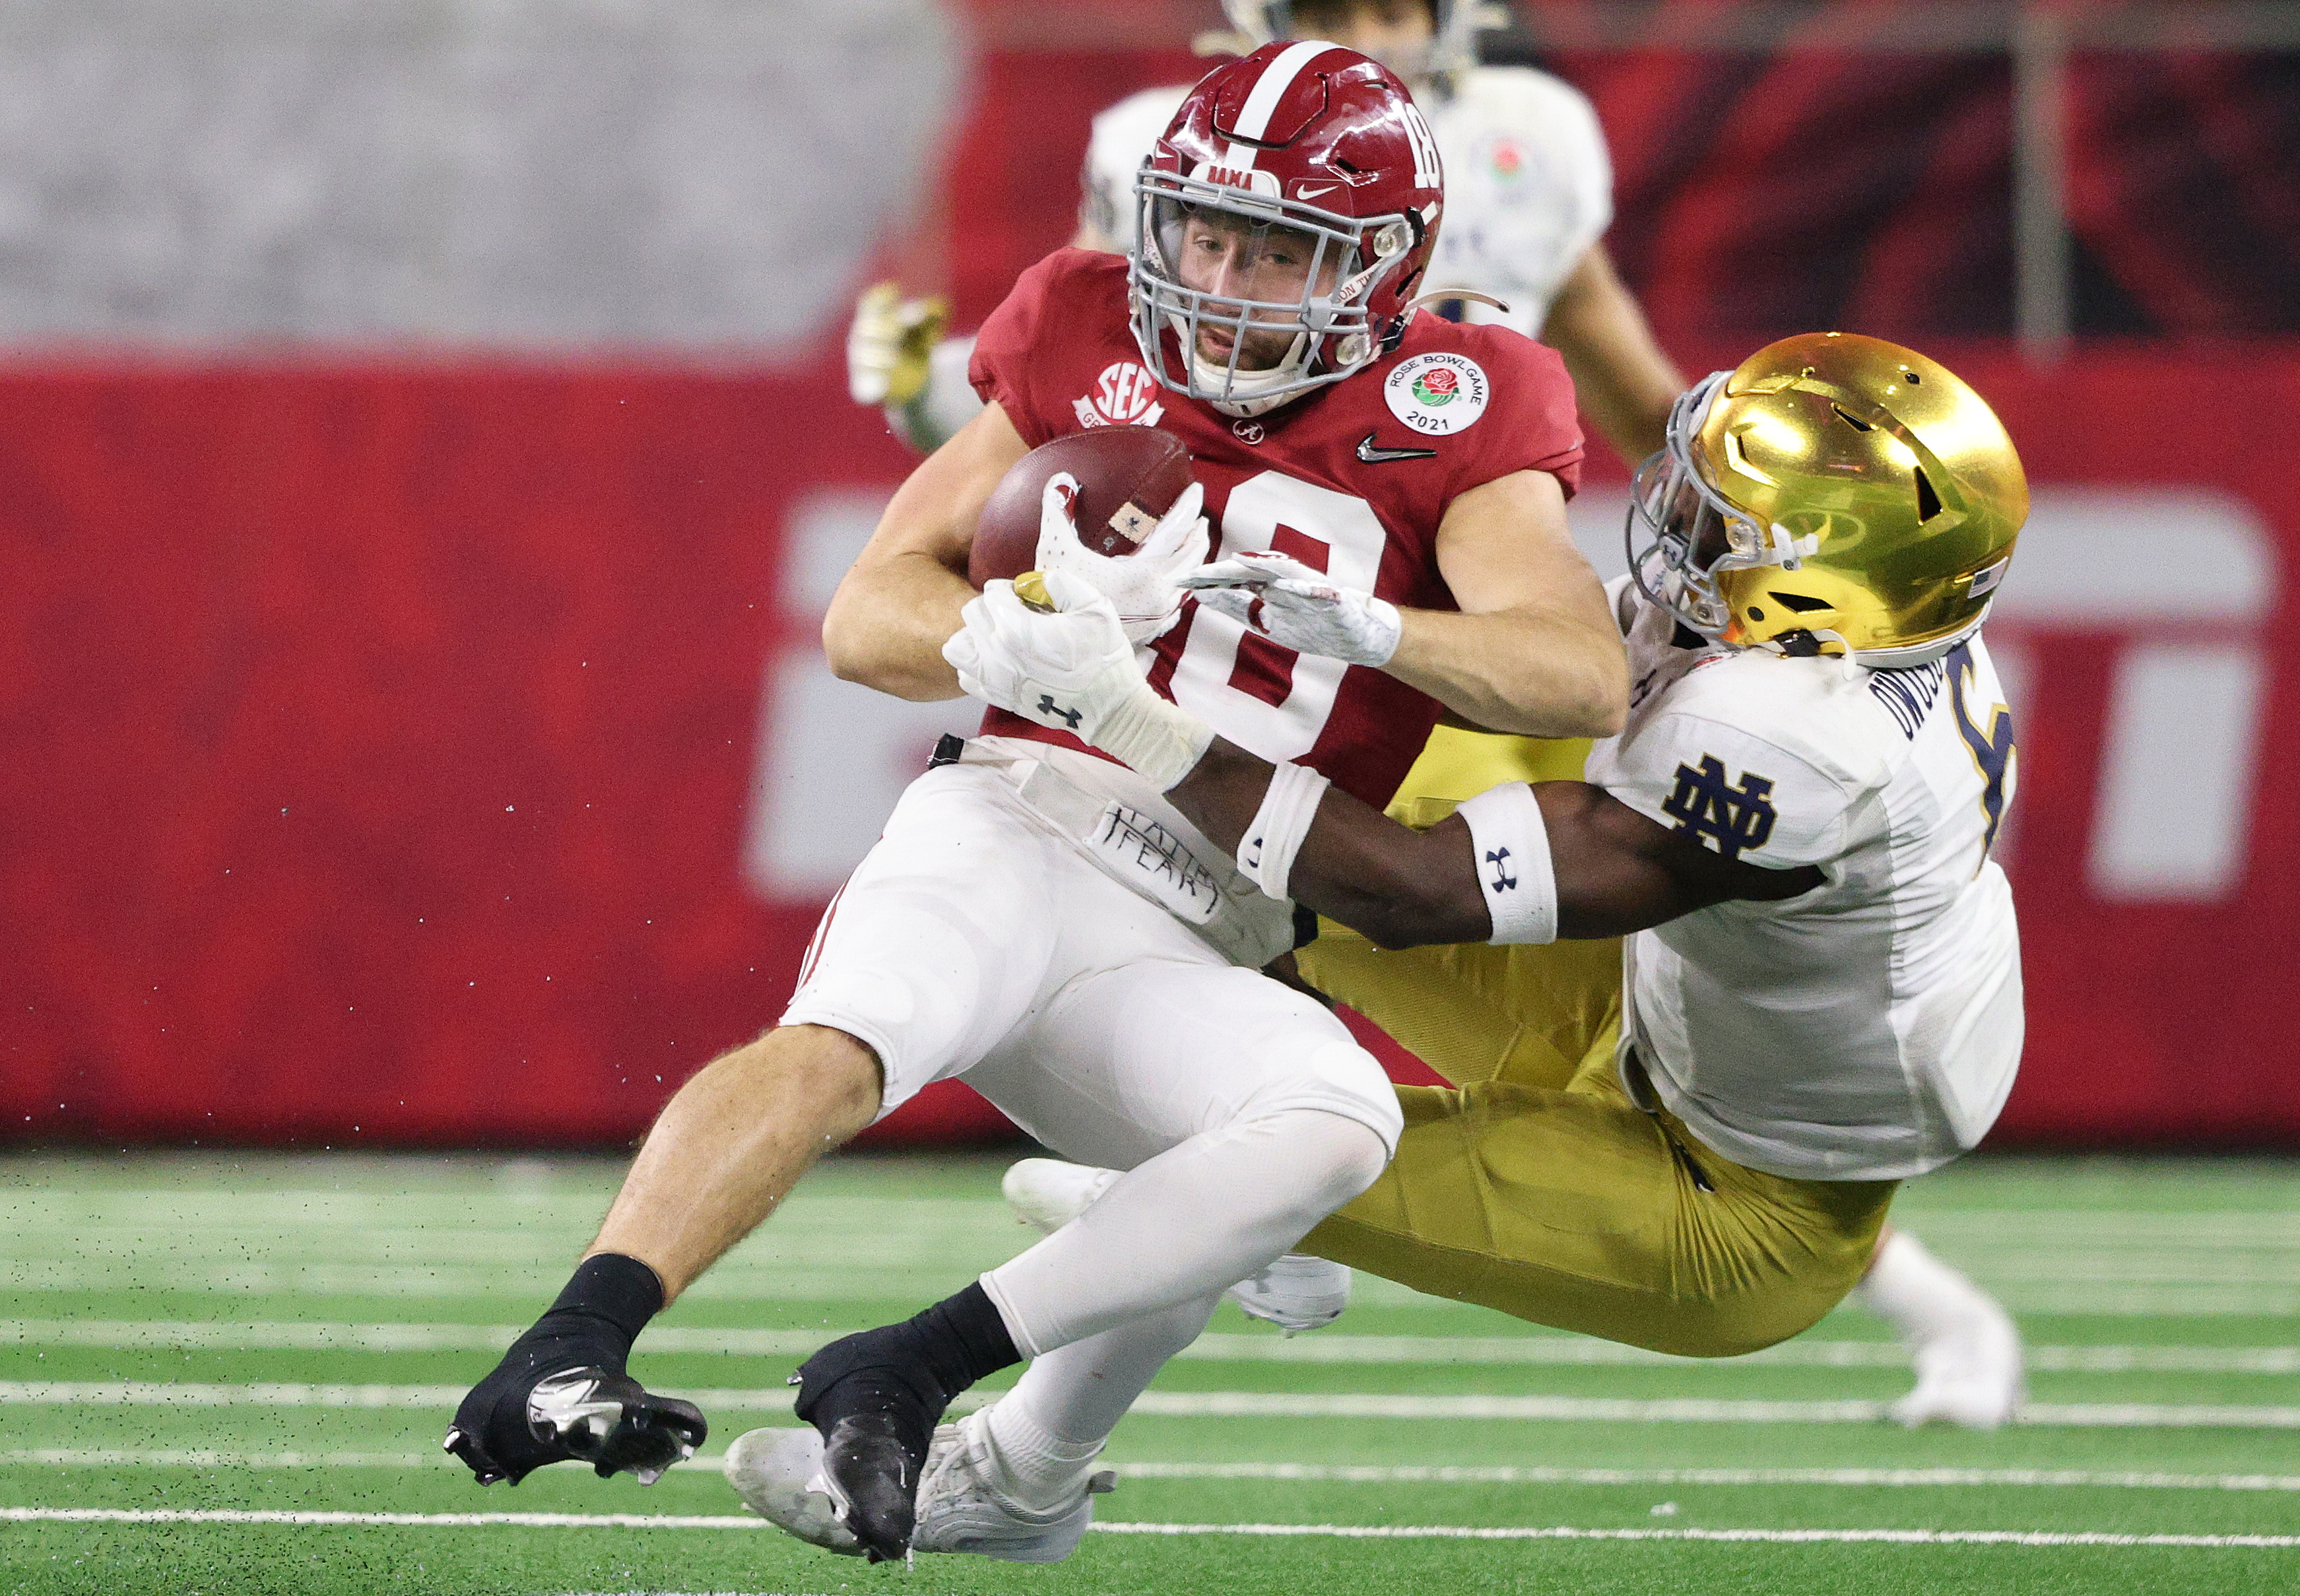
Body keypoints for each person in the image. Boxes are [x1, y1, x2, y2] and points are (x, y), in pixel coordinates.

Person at [445, 40, 1626, 1566]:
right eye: (1204, 232)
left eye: (1279, 252)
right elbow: (866, 615)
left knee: (1325, 1131)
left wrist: (1380, 629)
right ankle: (572, 1339)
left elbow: (1577, 678)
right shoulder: (1080, 315)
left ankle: (972, 1427)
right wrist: (1000, 645)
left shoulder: (1468, 396)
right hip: (1014, 817)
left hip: (1208, 919)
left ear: (1386, 268)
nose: (1220, 278)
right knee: (841, 1042)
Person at [889, 330, 2031, 1560]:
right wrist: (1376, 624)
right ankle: (1234, 1215)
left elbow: (1413, 891)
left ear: (1817, 589)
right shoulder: (1859, 641)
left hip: (1737, 1201)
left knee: (1265, 1140)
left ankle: (1017, 1476)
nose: (1673, 514)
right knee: (1231, 865)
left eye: (1723, 520)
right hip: (1660, 1002)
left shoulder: (1796, 741)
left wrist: (1126, 713)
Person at [859, 0, 1683, 473]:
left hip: (1453, 508)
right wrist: (924, 393)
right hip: (1256, 498)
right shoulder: (1176, 144)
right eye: (1329, 11)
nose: (1365, 40)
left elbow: (1638, 402)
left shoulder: (1529, 132)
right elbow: (1061, 386)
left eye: (1392, 9)